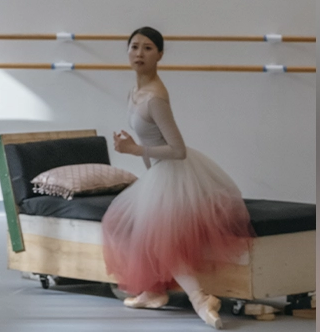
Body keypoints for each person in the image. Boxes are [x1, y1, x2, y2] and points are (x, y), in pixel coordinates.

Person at [102, 27, 254, 329]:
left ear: (160, 54)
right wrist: (139, 157)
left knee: (156, 238)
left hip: (175, 174)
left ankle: (200, 299)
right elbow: (152, 145)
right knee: (131, 227)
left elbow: (178, 150)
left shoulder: (155, 97)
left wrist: (133, 149)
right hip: (159, 175)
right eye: (134, 47)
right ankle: (152, 292)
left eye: (148, 48)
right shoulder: (134, 93)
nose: (139, 54)